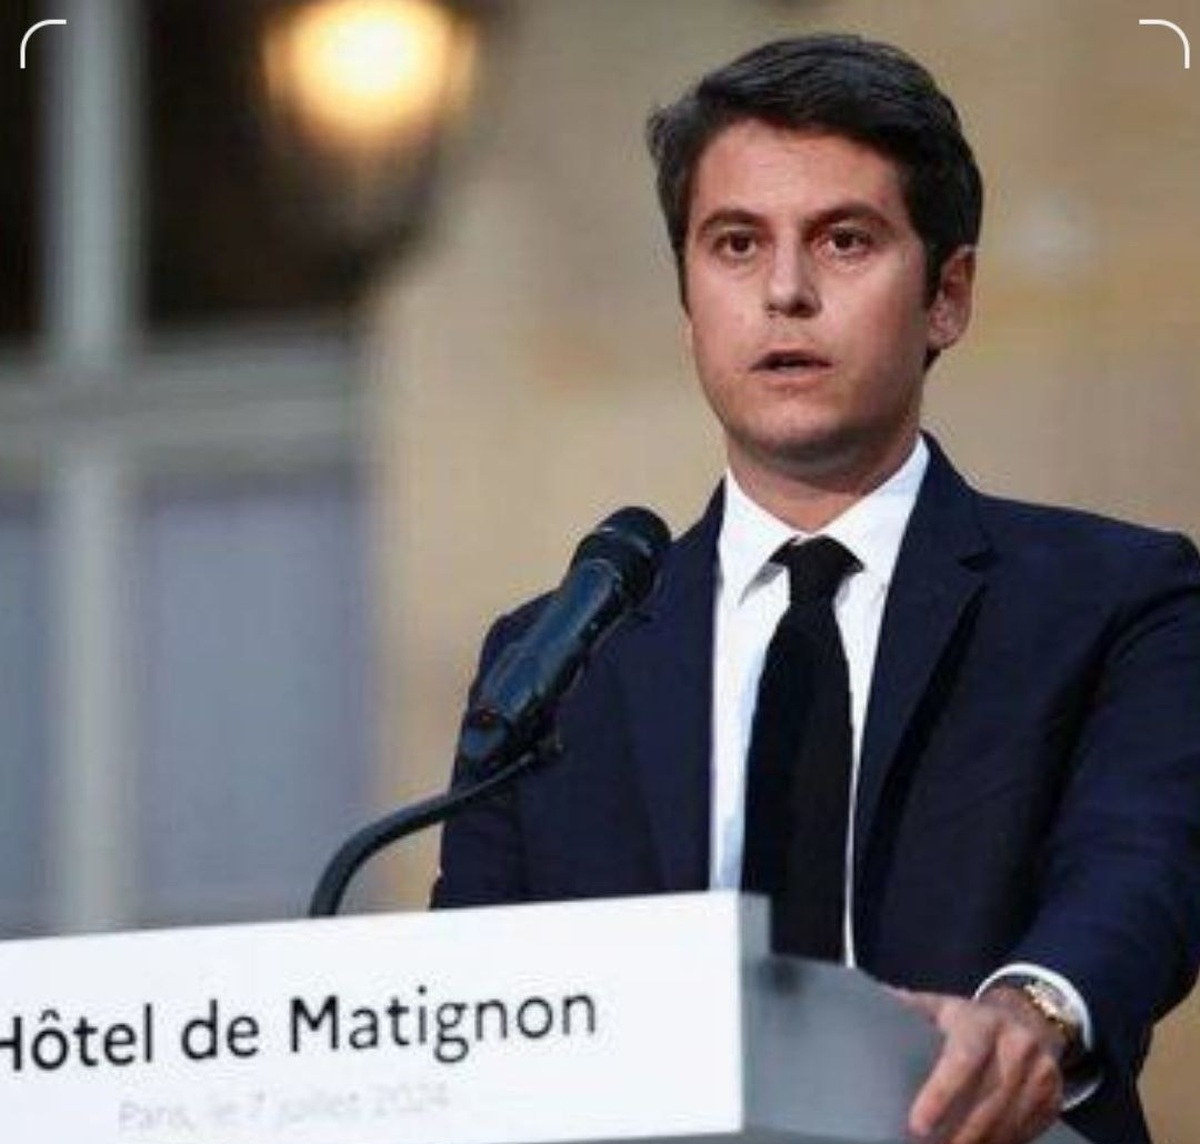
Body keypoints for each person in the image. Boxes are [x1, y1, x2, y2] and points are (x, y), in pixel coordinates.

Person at [431, 33, 1200, 1144]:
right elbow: (470, 1014)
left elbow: (1145, 867)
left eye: (844, 240)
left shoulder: (1118, 600)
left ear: (947, 295)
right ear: (689, 300)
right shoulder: (555, 662)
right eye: (736, 244)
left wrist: (1029, 1015)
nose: (784, 292)